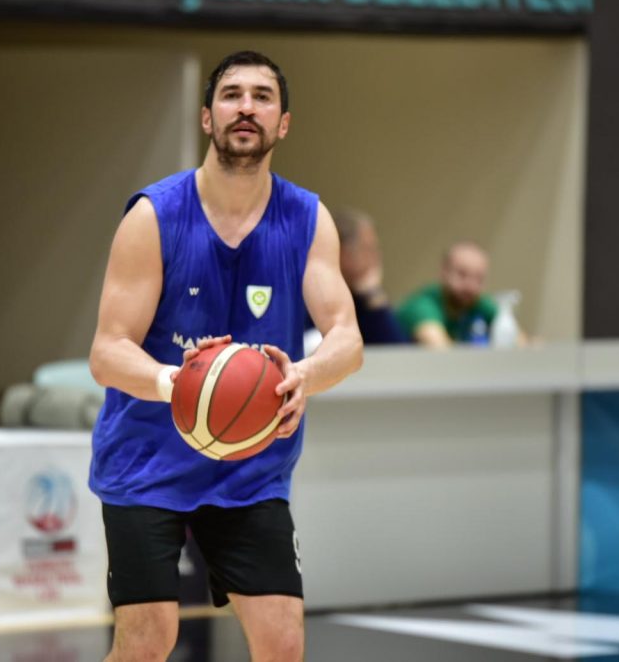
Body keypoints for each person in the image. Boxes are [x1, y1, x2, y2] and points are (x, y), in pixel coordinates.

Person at [88, 51, 363, 662]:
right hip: (147, 462)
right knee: (147, 642)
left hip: (250, 466)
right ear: (207, 117)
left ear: (283, 123)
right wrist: (178, 384)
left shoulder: (306, 217)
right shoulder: (155, 215)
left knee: (282, 642)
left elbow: (347, 338)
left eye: (262, 97)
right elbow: (107, 352)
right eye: (232, 94)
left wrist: (303, 376)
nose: (246, 107)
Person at [396, 241, 504, 348]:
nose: (470, 286)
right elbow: (442, 350)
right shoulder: (422, 306)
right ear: (444, 272)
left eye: (479, 278)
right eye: (462, 274)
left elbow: (513, 341)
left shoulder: (480, 304)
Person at [331, 209, 407, 344]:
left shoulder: (364, 300)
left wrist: (375, 298)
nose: (377, 257)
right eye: (368, 249)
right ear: (341, 252)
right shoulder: (313, 301)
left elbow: (398, 352)